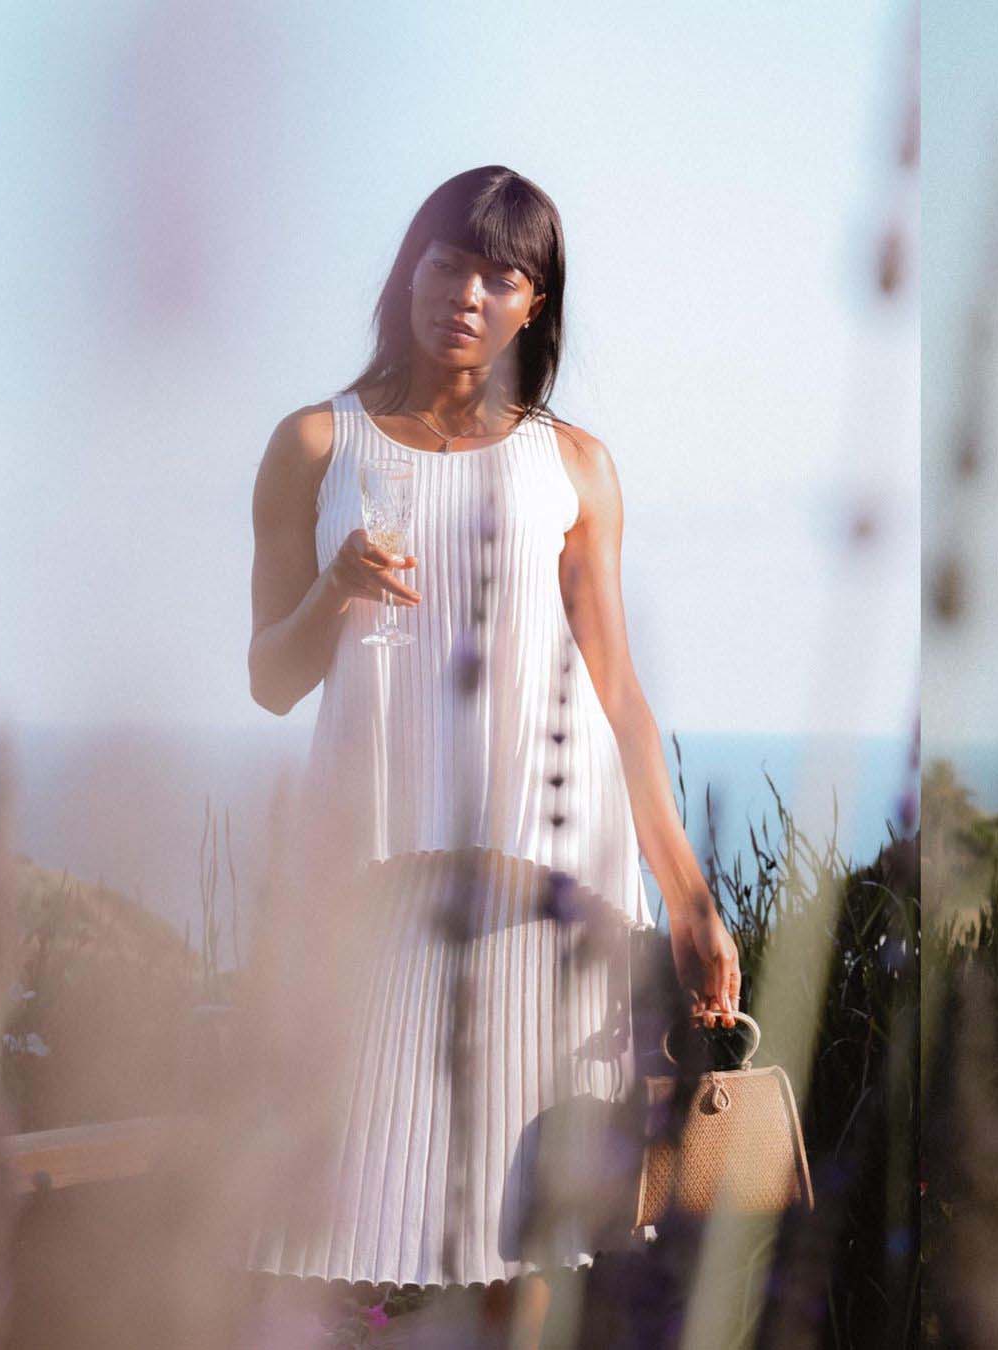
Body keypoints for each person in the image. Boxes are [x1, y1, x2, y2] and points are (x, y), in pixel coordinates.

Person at [243, 165, 741, 1347]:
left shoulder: (572, 466)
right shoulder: (316, 442)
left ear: (534, 303)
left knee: (536, 1236)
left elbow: (620, 696)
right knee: (321, 1219)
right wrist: (335, 590)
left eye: (498, 272)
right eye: (444, 259)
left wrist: (690, 900)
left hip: (550, 898)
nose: (463, 291)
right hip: (370, 892)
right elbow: (270, 679)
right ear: (407, 269)